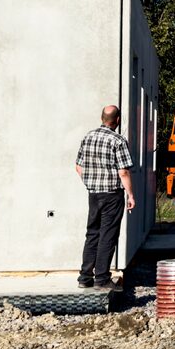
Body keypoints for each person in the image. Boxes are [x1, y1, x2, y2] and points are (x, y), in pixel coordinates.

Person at [74, 105, 135, 289]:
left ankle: (85, 277)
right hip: (111, 195)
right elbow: (123, 172)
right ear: (117, 120)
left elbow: (78, 166)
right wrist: (130, 195)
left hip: (93, 194)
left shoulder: (88, 137)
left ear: (102, 118)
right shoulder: (117, 141)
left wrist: (90, 182)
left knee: (92, 233)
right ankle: (102, 278)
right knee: (108, 235)